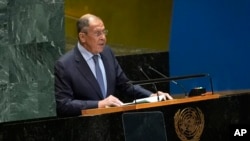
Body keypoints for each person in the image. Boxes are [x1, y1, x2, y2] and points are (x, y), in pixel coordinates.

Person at [54, 13, 172, 117]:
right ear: (82, 37)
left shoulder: (107, 53)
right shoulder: (65, 65)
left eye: (104, 32)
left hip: (112, 125)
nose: (103, 38)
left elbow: (125, 85)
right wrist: (99, 104)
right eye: (97, 33)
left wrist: (152, 96)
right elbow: (63, 105)